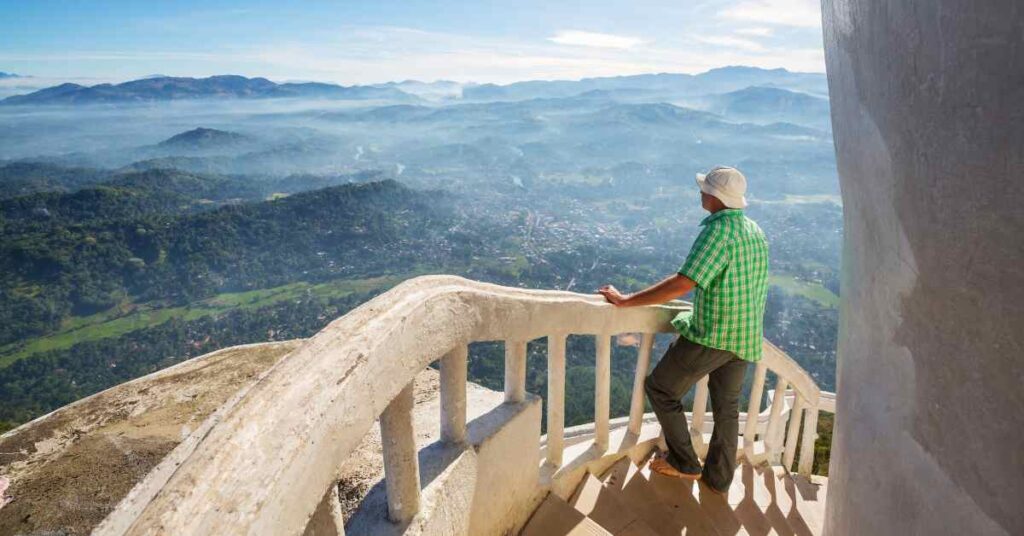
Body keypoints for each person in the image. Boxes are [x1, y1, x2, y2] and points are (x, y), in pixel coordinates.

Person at [598, 166, 769, 495]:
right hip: (746, 336)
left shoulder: (717, 232)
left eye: (705, 189)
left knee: (661, 388)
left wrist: (626, 301)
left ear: (715, 197)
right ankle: (719, 480)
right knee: (727, 410)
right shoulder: (754, 231)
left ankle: (685, 462)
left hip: (716, 334)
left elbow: (683, 283)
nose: (700, 193)